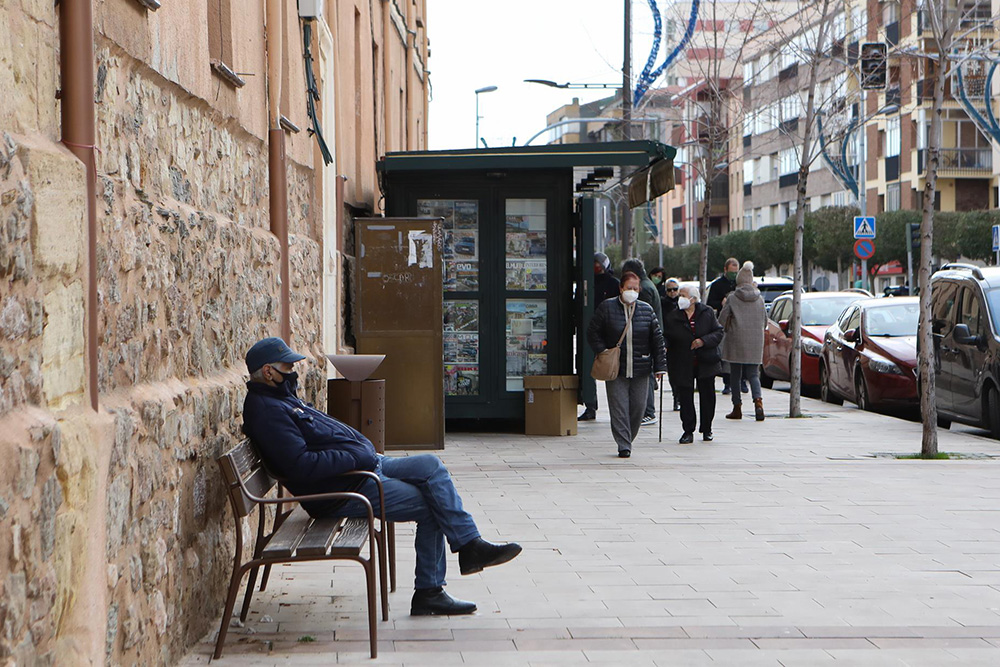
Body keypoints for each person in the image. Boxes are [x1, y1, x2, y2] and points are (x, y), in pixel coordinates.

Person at [241, 337, 522, 616]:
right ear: (268, 372)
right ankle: (430, 591)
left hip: (364, 468)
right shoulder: (267, 411)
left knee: (431, 466)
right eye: (288, 367)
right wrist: (355, 457)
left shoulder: (281, 397)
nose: (294, 372)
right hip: (345, 487)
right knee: (433, 505)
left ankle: (470, 544)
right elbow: (301, 465)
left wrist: (360, 453)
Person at [587, 272, 667, 458]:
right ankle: (623, 444)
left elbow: (657, 339)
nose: (632, 292)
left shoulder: (646, 310)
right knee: (619, 408)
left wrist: (660, 366)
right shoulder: (607, 308)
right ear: (621, 288)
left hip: (641, 367)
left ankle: (628, 437)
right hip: (616, 369)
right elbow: (593, 332)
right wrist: (603, 350)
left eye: (636, 289)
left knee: (638, 408)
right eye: (629, 288)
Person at [663, 285, 724, 443]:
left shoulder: (707, 312)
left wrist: (702, 341)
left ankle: (707, 428)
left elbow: (718, 332)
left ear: (693, 299)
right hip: (682, 361)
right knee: (685, 396)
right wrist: (664, 344)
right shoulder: (673, 316)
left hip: (706, 361)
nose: (680, 298)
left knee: (708, 396)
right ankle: (688, 430)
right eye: (679, 295)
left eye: (683, 295)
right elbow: (667, 335)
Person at [718, 261, 767, 422]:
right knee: (753, 374)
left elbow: (722, 319)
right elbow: (765, 322)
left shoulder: (732, 298)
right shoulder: (759, 299)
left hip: (735, 339)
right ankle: (758, 403)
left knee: (735, 374)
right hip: (755, 341)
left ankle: (737, 407)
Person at [621, 258, 662, 426]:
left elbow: (640, 315)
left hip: (644, 338)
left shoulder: (643, 289)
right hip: (651, 336)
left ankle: (648, 411)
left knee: (646, 375)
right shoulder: (648, 284)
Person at [580, 253, 622, 421]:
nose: (596, 267)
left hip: (610, 331)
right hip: (593, 331)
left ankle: (617, 408)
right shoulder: (588, 283)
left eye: (598, 264)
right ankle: (591, 405)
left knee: (613, 368)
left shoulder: (613, 283)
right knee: (591, 368)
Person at [707, 257, 743, 396]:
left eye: (736, 272)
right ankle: (727, 383)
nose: (734, 274)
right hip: (724, 324)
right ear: (725, 270)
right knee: (726, 354)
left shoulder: (740, 285)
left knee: (741, 354)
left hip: (739, 324)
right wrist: (720, 303)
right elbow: (710, 304)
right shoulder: (717, 285)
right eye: (732, 271)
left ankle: (742, 381)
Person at [662, 278, 682, 412]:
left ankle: (681, 397)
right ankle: (676, 397)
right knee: (673, 372)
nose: (673, 292)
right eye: (670, 290)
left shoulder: (683, 303)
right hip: (670, 341)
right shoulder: (663, 304)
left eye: (675, 289)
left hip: (684, 341)